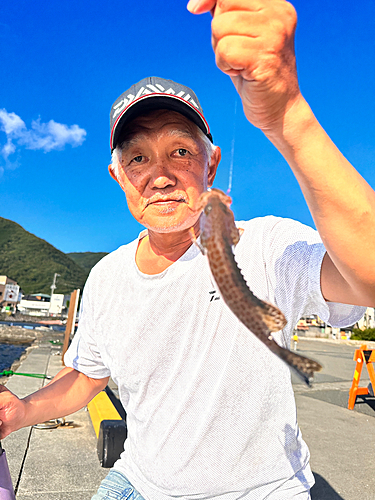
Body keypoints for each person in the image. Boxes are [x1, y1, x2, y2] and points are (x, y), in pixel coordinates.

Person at [1, 1, 374, 499]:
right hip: (140, 479)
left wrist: (288, 116)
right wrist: (23, 410)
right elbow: (86, 378)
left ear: (210, 165)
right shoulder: (107, 277)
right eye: (137, 157)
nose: (159, 174)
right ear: (119, 178)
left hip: (262, 491)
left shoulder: (264, 246)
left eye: (181, 150)